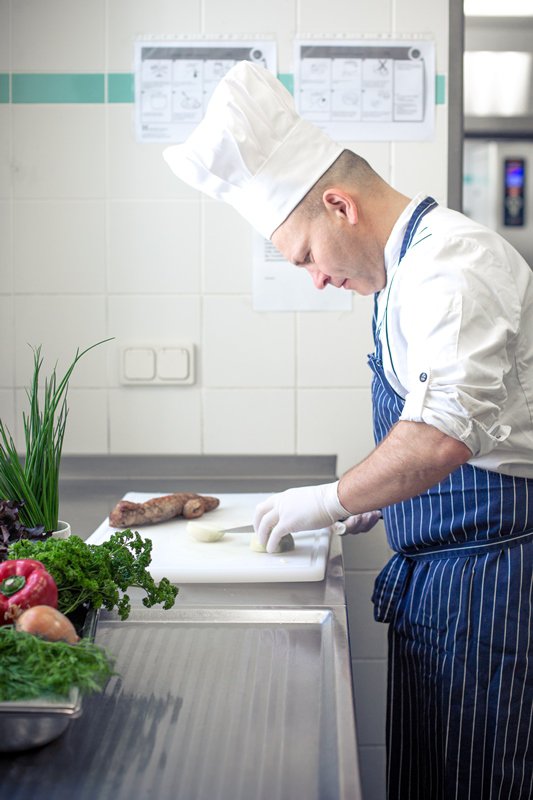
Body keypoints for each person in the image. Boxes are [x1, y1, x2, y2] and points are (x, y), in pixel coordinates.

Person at [163, 61, 533, 800]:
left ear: (338, 205)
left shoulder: (451, 267)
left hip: (494, 584)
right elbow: (431, 427)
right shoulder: (402, 275)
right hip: (449, 584)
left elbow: (438, 438)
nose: (317, 279)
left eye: (306, 256)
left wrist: (331, 497)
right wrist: (379, 495)